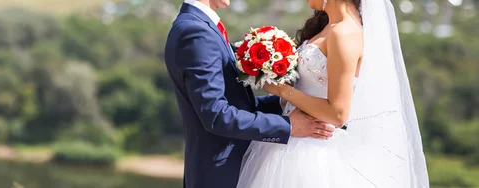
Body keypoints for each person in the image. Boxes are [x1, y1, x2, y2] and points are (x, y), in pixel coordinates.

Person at [236, 0, 430, 187]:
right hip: (292, 141)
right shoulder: (329, 26)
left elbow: (337, 114)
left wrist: (282, 90)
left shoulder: (344, 33)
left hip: (311, 154)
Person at [163, 0, 335, 187]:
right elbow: (216, 115)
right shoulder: (195, 32)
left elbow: (234, 104)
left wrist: (280, 104)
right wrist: (288, 126)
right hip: (220, 174)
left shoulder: (202, 26)